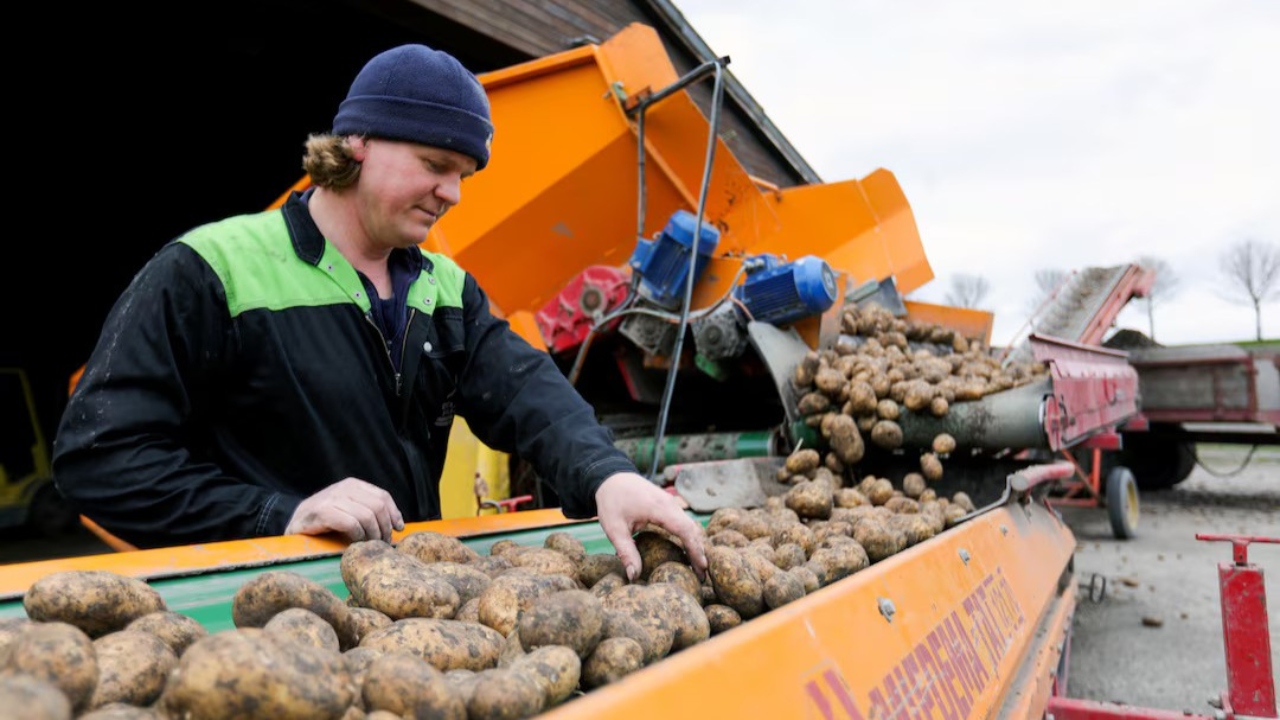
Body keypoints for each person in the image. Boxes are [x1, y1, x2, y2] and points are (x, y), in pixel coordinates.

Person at [52, 43, 706, 581]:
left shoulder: (444, 289)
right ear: (358, 142)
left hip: (401, 601)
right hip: (260, 614)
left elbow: (528, 393)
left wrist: (606, 476)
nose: (451, 193)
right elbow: (102, 459)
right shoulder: (212, 269)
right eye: (435, 165)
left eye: (464, 175)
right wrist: (278, 514)